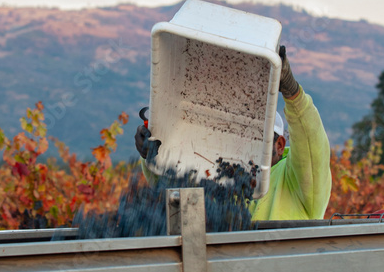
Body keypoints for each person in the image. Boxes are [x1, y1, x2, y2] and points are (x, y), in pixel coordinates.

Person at [135, 46, 332, 221]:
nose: (245, 147)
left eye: (257, 139)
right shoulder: (223, 176)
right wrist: (153, 157)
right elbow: (173, 189)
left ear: (279, 145)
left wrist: (293, 94)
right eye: (241, 138)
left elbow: (313, 148)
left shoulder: (295, 181)